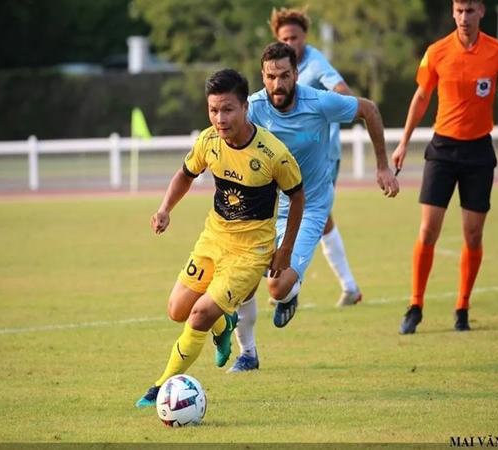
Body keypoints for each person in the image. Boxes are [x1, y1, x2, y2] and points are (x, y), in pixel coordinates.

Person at [135, 68, 304, 407]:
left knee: (198, 314)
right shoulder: (208, 141)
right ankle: (223, 325)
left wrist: (285, 248)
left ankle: (161, 387)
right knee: (177, 310)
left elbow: (298, 197)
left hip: (251, 252)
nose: (220, 118)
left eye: (228, 109)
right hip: (213, 239)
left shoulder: (273, 153)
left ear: (245, 108)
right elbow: (185, 174)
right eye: (213, 110)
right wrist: (165, 208)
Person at [227, 42, 399, 372]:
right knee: (242, 280)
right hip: (266, 209)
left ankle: (289, 293)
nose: (278, 84)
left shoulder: (319, 102)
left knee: (277, 287)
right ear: (262, 76)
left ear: (296, 74)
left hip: (310, 207)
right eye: (271, 77)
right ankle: (247, 354)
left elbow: (369, 110)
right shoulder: (254, 107)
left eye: (285, 75)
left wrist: (382, 166)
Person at [393, 0, 498, 334]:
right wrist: (404, 142)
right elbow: (421, 96)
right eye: (459, 10)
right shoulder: (436, 52)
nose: (464, 17)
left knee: (473, 234)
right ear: (453, 12)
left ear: (482, 11)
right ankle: (415, 306)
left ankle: (462, 308)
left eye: (470, 10)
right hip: (443, 150)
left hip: (478, 152)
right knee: (428, 230)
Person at [270, 6, 362, 307]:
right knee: (308, 216)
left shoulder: (314, 61)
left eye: (295, 37)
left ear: (305, 37)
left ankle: (293, 282)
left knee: (316, 215)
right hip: (290, 159)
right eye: (285, 38)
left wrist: (325, 104)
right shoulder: (278, 68)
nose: (291, 43)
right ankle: (296, 280)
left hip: (323, 156)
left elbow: (342, 90)